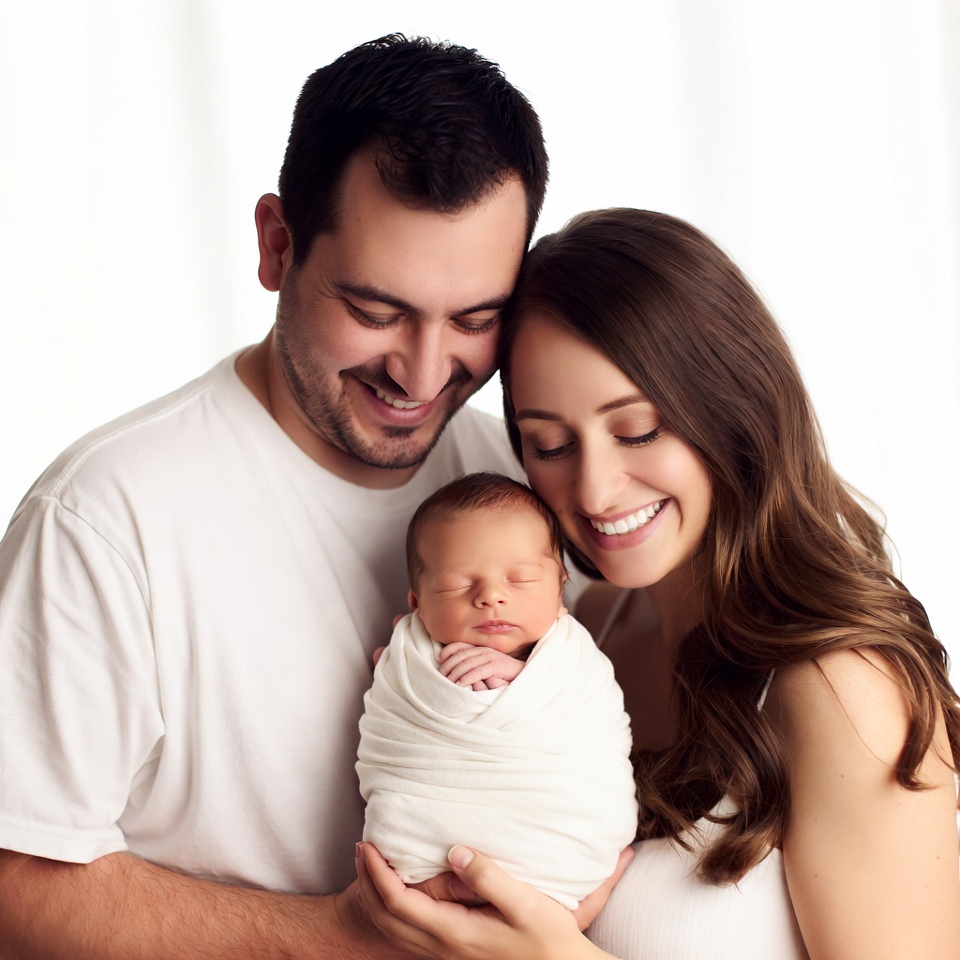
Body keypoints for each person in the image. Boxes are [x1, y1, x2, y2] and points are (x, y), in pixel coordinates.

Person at [0, 34, 550, 959]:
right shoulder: (105, 517)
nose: (422, 373)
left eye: (475, 319)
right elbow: (13, 870)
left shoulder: (522, 482)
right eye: (376, 311)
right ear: (276, 244)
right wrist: (342, 940)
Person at [354, 208, 960, 959]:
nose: (597, 490)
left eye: (637, 429)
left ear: (732, 407)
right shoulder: (592, 627)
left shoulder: (846, 690)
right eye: (548, 443)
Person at [357, 472, 637, 909]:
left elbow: (589, 720)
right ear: (416, 603)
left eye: (520, 580)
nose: (491, 596)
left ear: (561, 587)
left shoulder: (574, 660)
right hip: (425, 853)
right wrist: (410, 683)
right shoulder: (407, 655)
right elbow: (392, 728)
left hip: (559, 843)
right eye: (456, 584)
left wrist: (518, 677)